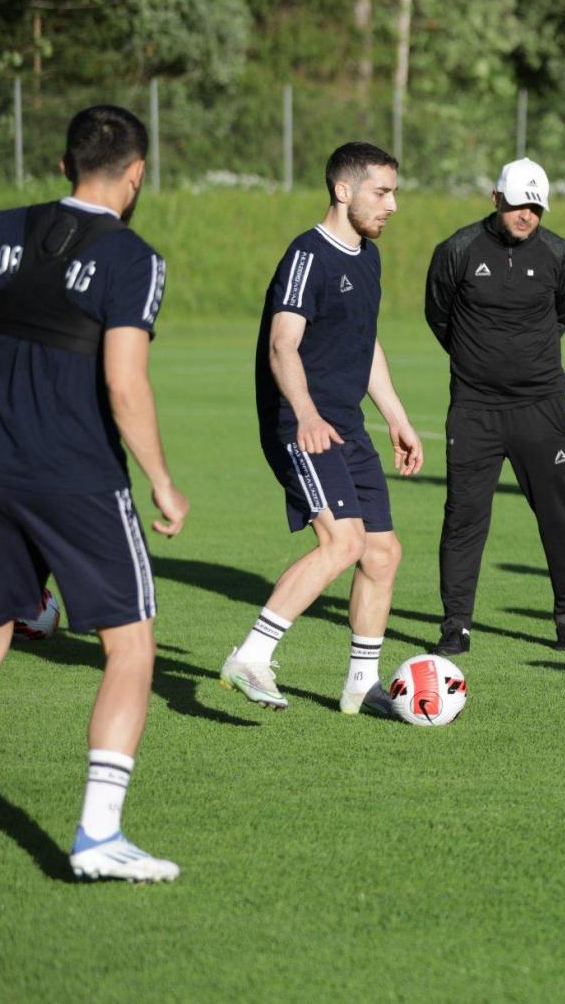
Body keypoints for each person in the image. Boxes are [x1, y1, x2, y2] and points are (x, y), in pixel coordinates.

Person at [0, 105, 187, 881]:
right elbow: (125, 382)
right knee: (132, 646)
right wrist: (161, 479)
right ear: (137, 173)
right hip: (79, 479)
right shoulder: (133, 258)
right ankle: (98, 835)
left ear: (63, 165)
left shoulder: (4, 228)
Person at [220, 142, 423, 714]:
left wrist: (398, 417)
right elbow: (282, 345)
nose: (392, 205)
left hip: (347, 426)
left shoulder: (368, 258)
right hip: (302, 423)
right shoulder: (307, 256)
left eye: (394, 193)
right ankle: (250, 657)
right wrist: (307, 415)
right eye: (382, 192)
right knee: (344, 541)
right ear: (343, 190)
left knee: (382, 553)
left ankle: (361, 685)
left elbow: (365, 343)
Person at [424, 158, 565, 655]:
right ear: (496, 199)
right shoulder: (458, 250)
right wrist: (479, 361)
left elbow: (562, 313)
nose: (526, 215)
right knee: (464, 518)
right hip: (475, 410)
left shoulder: (557, 253)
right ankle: (456, 626)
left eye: (535, 207)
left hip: (541, 407)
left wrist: (525, 361)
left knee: (558, 516)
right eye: (517, 204)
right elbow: (438, 315)